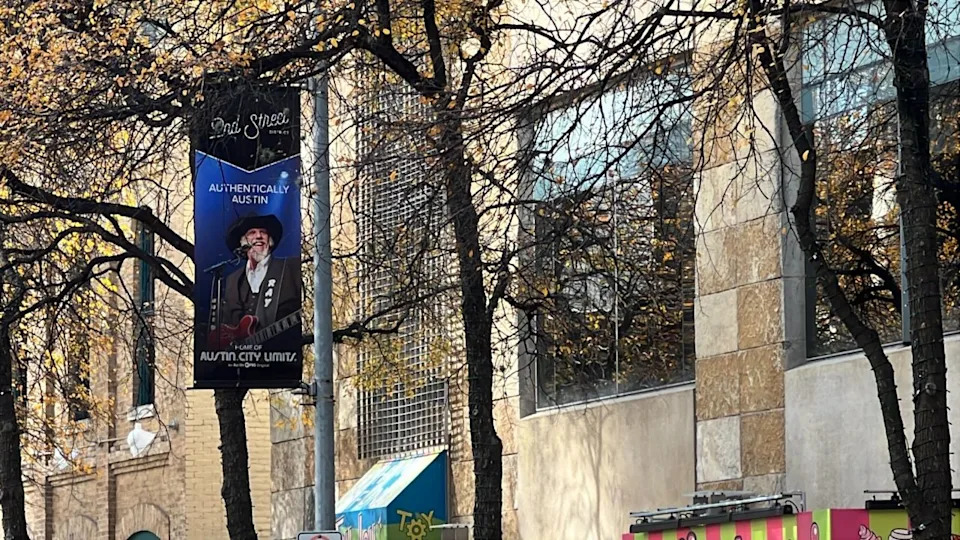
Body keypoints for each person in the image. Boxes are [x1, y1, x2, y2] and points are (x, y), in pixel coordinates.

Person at [215, 214, 300, 348]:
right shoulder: (233, 280)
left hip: (280, 358)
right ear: (243, 242)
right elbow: (227, 323)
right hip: (239, 362)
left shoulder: (291, 268)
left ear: (270, 240)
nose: (259, 236)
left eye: (263, 232)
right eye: (252, 233)